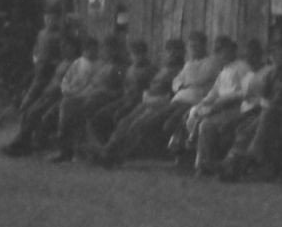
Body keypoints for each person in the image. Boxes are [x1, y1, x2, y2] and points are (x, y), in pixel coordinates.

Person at [88, 38, 186, 167]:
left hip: (162, 104)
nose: (172, 54)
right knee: (125, 122)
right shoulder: (164, 69)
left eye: (176, 51)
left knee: (137, 125)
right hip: (147, 101)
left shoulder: (182, 70)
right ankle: (107, 150)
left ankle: (116, 157)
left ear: (183, 52)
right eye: (170, 51)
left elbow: (176, 93)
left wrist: (155, 98)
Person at [219, 39, 282, 181]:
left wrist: (266, 103)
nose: (275, 57)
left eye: (279, 54)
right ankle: (231, 161)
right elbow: (263, 95)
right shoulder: (272, 73)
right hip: (268, 109)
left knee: (263, 118)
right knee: (244, 124)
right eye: (273, 54)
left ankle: (250, 156)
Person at [183, 37, 253, 175]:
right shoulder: (224, 70)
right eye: (218, 51)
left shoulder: (242, 67)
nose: (221, 54)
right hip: (221, 106)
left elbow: (246, 91)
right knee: (193, 114)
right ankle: (198, 158)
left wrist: (223, 100)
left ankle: (205, 163)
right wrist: (203, 103)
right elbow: (214, 91)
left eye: (224, 50)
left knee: (207, 124)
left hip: (237, 107)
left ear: (232, 50)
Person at [1, 36, 79, 157]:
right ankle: (22, 142)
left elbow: (70, 84)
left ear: (73, 48)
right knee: (29, 110)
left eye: (66, 46)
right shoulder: (62, 62)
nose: (63, 49)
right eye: (62, 46)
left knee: (35, 112)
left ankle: (23, 142)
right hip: (49, 94)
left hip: (59, 96)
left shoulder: (75, 64)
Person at [52, 35, 123, 162]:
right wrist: (76, 92)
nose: (103, 52)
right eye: (104, 49)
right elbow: (90, 84)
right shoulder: (101, 65)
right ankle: (65, 150)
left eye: (107, 49)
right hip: (88, 94)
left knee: (80, 111)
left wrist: (103, 92)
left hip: (102, 97)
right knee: (66, 105)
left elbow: (119, 89)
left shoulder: (117, 67)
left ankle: (87, 152)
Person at [88, 39, 155, 143]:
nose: (136, 57)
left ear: (145, 54)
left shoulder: (151, 70)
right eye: (134, 54)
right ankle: (102, 144)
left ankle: (115, 145)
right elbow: (124, 85)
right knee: (101, 115)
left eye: (139, 54)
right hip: (125, 98)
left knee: (119, 115)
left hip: (138, 101)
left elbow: (151, 90)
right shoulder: (130, 68)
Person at [20, 1, 64, 111]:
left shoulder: (60, 35)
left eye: (53, 19)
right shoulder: (41, 33)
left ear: (57, 20)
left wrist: (57, 62)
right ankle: (24, 107)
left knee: (44, 91)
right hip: (40, 66)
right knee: (32, 87)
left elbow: (63, 51)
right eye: (47, 18)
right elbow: (36, 47)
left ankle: (32, 109)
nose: (49, 21)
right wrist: (35, 57)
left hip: (52, 68)